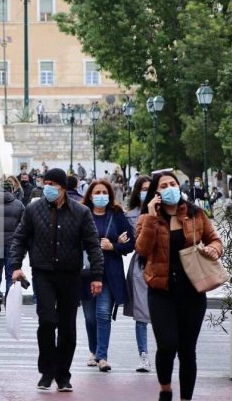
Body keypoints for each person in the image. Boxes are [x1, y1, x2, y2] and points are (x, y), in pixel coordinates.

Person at [10, 168, 104, 392]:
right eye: (46, 182)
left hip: (71, 274)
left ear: (63, 187)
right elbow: (20, 238)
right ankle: (46, 370)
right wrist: (15, 266)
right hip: (43, 272)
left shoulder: (81, 212)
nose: (48, 187)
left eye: (53, 183)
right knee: (47, 321)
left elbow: (93, 244)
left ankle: (63, 374)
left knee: (67, 326)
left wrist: (97, 276)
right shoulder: (33, 209)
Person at [136, 171, 223, 401]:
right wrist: (153, 217)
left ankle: (186, 398)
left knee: (187, 350)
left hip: (192, 291)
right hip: (161, 291)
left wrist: (215, 249)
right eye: (163, 186)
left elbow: (214, 239)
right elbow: (142, 251)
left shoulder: (195, 213)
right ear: (156, 193)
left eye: (173, 184)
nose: (169, 188)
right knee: (166, 345)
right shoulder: (147, 219)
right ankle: (165, 389)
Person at [79, 180, 135, 372]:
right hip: (86, 273)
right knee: (89, 318)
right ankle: (93, 351)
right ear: (90, 195)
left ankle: (102, 356)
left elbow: (131, 243)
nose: (101, 195)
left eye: (104, 192)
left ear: (109, 194)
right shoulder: (82, 213)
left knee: (102, 314)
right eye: (97, 192)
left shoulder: (117, 215)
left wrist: (114, 246)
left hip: (109, 273)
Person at [124, 175, 152, 372]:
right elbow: (130, 244)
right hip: (142, 264)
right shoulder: (130, 216)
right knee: (141, 313)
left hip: (164, 265)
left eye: (150, 189)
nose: (146, 192)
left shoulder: (166, 213)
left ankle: (166, 352)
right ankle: (144, 355)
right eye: (143, 189)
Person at [0, 180, 25, 305]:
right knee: (11, 274)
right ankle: (9, 300)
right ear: (12, 190)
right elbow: (23, 226)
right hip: (13, 245)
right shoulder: (19, 204)